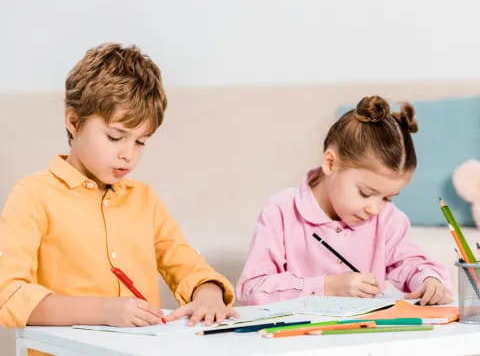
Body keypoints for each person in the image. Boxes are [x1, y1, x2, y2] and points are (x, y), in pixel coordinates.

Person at [0, 43, 238, 344]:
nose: (128, 155)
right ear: (74, 122)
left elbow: (186, 263)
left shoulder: (144, 199)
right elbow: (9, 295)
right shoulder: (33, 195)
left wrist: (208, 295)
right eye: (115, 137)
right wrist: (103, 310)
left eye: (141, 142)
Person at [236, 95, 452, 306]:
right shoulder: (281, 211)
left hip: (364, 337)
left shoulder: (388, 219)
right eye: (366, 193)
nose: (375, 209)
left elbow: (410, 263)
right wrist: (327, 287)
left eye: (387, 198)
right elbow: (252, 289)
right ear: (330, 163)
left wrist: (429, 280)